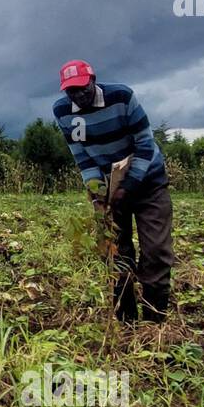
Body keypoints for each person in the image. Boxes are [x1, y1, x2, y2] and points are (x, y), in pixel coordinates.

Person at [53, 59, 172, 323]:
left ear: (94, 80)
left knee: (156, 252)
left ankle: (155, 322)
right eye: (71, 91)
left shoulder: (121, 96)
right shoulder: (62, 111)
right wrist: (96, 190)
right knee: (115, 252)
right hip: (109, 188)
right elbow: (81, 155)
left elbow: (145, 144)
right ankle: (126, 321)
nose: (79, 95)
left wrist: (128, 187)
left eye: (83, 88)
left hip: (148, 182)